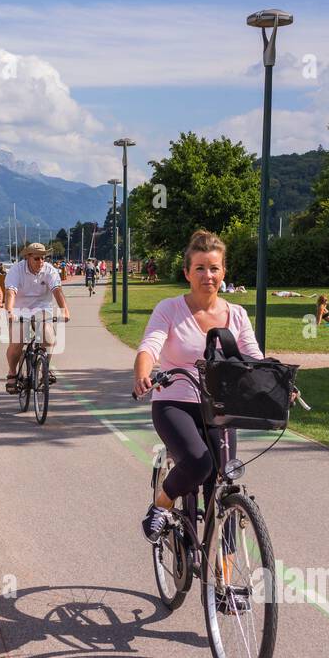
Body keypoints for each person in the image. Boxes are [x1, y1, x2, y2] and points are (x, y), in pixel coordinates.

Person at [133, 230, 263, 543]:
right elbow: (151, 345)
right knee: (198, 462)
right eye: (201, 268)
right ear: (187, 273)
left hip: (221, 407)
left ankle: (225, 581)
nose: (208, 275)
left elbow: (253, 357)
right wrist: (143, 373)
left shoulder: (237, 314)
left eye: (214, 268)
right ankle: (162, 505)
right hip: (175, 402)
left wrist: (275, 383)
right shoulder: (170, 309)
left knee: (225, 481)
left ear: (224, 272)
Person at [4, 242, 69, 393]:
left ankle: (44, 368)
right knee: (17, 342)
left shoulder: (49, 270)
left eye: (43, 258)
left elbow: (57, 291)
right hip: (19, 309)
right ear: (27, 257)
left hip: (42, 308)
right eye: (36, 258)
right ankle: (12, 372)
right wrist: (9, 312)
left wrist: (65, 311)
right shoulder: (16, 270)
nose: (40, 262)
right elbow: (10, 292)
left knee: (48, 336)